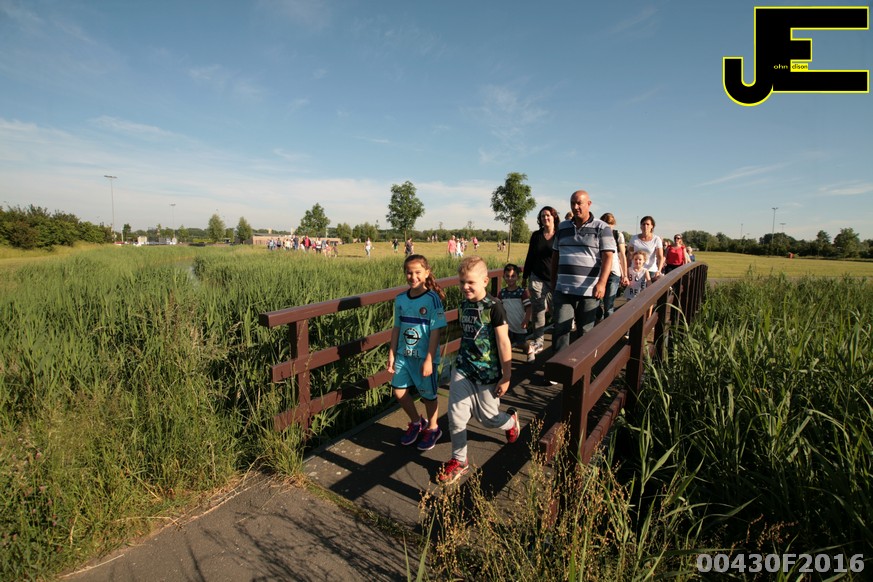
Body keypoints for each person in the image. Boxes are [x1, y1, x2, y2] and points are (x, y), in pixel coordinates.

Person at [438, 257, 520, 484]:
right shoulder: (463, 305)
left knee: (488, 419)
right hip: (463, 368)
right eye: (462, 282)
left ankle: (510, 421)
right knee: (456, 416)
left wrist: (506, 375)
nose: (465, 287)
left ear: (485, 281)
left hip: (488, 373)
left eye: (470, 282)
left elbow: (503, 342)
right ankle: (459, 460)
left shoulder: (495, 307)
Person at [387, 254, 448, 451]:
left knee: (429, 396)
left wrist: (429, 359)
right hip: (404, 355)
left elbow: (436, 331)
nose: (413, 277)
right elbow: (397, 328)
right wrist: (392, 353)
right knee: (398, 390)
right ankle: (416, 422)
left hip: (423, 357)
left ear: (426, 273)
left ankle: (433, 428)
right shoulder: (400, 299)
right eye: (409, 273)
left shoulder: (433, 299)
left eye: (417, 272)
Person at [550, 190, 616, 353]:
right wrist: (553, 281)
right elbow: (555, 255)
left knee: (586, 332)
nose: (575, 207)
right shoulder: (562, 227)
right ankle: (559, 364)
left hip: (589, 291)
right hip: (564, 289)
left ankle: (582, 365)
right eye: (572, 203)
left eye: (579, 203)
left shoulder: (602, 227)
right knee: (561, 329)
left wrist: (602, 283)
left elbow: (608, 257)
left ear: (589, 204)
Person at [521, 205, 558, 361]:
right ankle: (538, 341)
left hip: (555, 279)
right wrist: (525, 276)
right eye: (543, 216)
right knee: (538, 311)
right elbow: (530, 256)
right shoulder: (536, 236)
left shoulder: (559, 235)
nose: (545, 218)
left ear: (554, 217)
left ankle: (559, 340)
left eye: (548, 215)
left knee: (556, 310)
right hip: (537, 278)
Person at [597, 212, 628, 321]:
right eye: (606, 223)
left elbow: (622, 255)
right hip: (599, 272)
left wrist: (625, 275)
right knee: (596, 302)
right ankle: (599, 321)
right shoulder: (597, 233)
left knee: (609, 304)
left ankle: (608, 327)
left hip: (614, 272)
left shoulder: (618, 235)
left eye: (610, 223)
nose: (608, 226)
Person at [498, 263, 532, 349]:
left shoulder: (522, 292)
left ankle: (530, 350)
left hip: (519, 324)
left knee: (521, 343)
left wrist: (526, 320)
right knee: (506, 343)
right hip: (507, 325)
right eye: (507, 276)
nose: (510, 278)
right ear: (504, 277)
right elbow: (499, 307)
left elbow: (528, 307)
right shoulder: (502, 293)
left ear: (518, 277)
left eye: (513, 276)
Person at [627, 216, 664, 283]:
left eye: (647, 224)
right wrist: (627, 270)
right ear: (641, 226)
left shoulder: (656, 239)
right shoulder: (634, 238)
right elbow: (629, 255)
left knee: (650, 289)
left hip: (650, 270)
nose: (645, 226)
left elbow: (660, 257)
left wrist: (659, 270)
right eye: (643, 224)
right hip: (635, 270)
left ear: (652, 226)